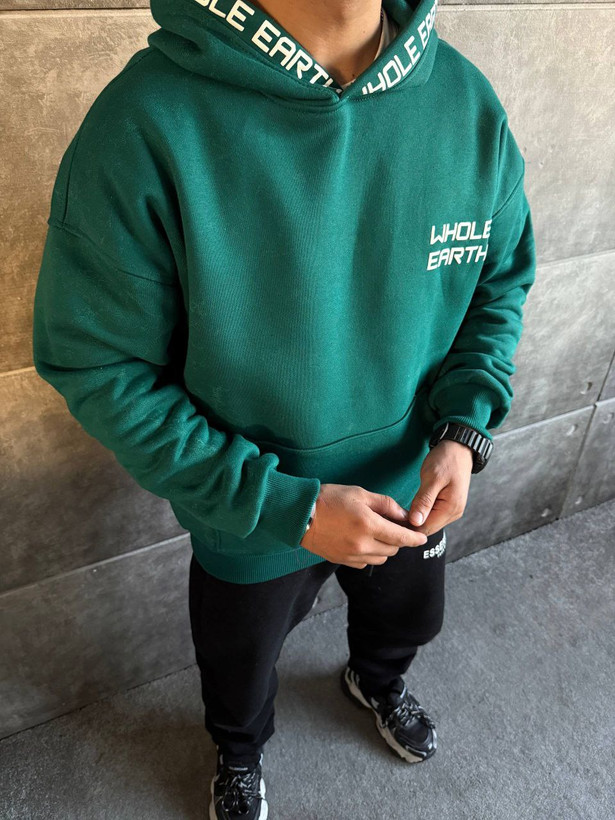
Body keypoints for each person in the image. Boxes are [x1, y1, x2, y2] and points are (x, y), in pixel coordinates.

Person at [31, 0, 536, 816]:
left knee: (407, 622)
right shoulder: (146, 121)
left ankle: (375, 681)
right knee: (237, 665)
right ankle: (238, 751)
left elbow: (498, 283)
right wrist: (283, 507)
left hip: (411, 482)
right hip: (251, 508)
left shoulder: (464, 101)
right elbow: (97, 363)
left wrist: (463, 425)